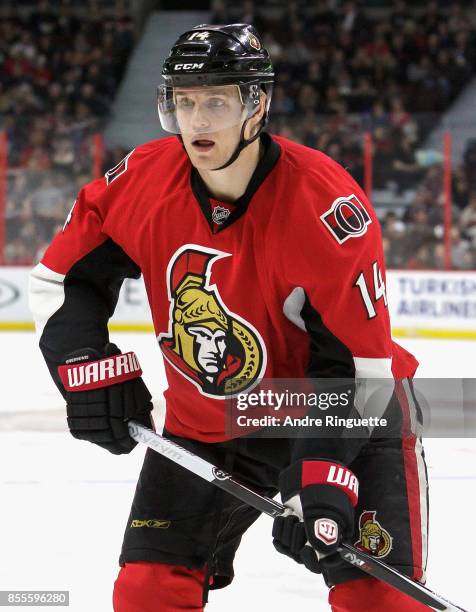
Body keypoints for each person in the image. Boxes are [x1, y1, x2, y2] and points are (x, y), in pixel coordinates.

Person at [29, 24, 428, 611]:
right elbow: (63, 282)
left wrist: (320, 470)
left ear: (256, 105)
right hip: (208, 427)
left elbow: (356, 365)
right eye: (185, 103)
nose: (198, 122)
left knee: (380, 602)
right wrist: (86, 366)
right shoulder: (140, 181)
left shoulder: (324, 205)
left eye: (217, 101)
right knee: (147, 594)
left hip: (348, 421)